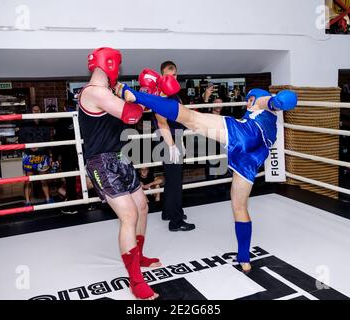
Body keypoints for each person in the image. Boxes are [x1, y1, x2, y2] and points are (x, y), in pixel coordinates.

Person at [116, 75, 297, 273]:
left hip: (247, 133)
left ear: (252, 100)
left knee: (192, 119)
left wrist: (274, 101)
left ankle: (135, 94)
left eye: (248, 101)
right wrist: (277, 102)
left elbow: (279, 100)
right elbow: (281, 103)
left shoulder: (260, 101)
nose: (247, 103)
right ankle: (244, 258)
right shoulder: (270, 119)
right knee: (239, 206)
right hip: (252, 158)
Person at [78, 47, 160, 300]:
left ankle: (140, 256)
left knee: (142, 207)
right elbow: (132, 114)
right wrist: (143, 96)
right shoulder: (93, 92)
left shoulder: (109, 93)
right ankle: (135, 281)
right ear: (111, 64)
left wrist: (144, 96)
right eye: (118, 64)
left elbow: (133, 114)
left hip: (120, 156)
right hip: (101, 161)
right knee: (129, 214)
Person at [152, 62, 195, 232]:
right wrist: (172, 146)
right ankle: (176, 221)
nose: (173, 78)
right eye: (169, 76)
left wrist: (181, 141)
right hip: (167, 140)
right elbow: (162, 124)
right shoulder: (160, 96)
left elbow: (180, 119)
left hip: (175, 138)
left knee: (171, 179)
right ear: (162, 76)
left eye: (175, 75)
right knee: (176, 182)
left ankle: (168, 212)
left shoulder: (175, 94)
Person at [18, 105, 54, 206]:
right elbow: (21, 141)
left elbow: (48, 140)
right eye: (34, 110)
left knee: (43, 178)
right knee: (28, 179)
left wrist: (43, 149)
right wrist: (29, 148)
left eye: (38, 110)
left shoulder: (44, 124)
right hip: (29, 155)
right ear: (31, 112)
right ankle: (28, 201)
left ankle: (48, 199)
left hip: (42, 154)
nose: (36, 112)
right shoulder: (25, 124)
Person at [54, 100, 79, 214]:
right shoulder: (80, 119)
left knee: (70, 180)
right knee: (88, 177)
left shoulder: (60, 121)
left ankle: (73, 206)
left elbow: (57, 141)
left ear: (64, 108)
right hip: (80, 153)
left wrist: (55, 157)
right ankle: (91, 203)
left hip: (68, 154)